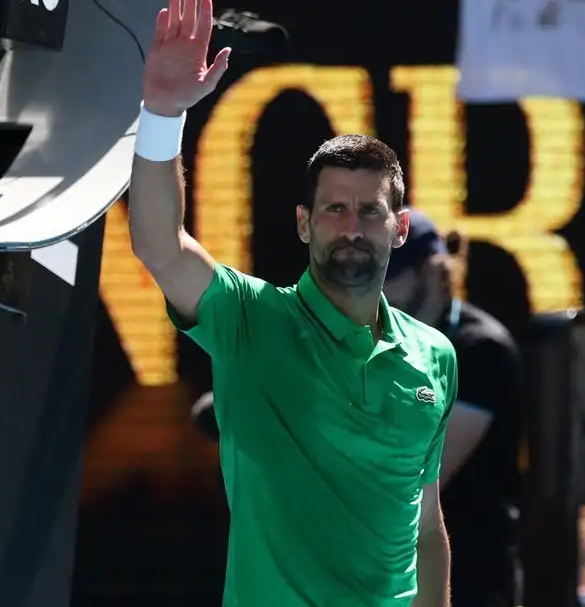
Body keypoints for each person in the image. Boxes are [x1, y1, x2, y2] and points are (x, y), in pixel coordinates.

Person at [129, 1, 455, 605]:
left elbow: (426, 526)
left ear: (400, 228)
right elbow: (159, 244)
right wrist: (163, 112)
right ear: (304, 224)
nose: (351, 227)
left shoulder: (436, 355)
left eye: (370, 211)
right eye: (335, 209)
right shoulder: (249, 318)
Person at [381, 211, 523, 607]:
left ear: (431, 272)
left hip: (472, 580)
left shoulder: (481, 351)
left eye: (390, 274)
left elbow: (415, 478)